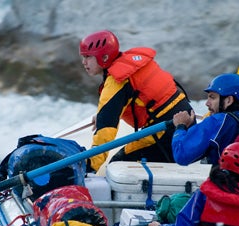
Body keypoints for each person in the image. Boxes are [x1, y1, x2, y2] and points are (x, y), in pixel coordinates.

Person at [79, 30, 192, 173]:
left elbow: (105, 131)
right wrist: (103, 115)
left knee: (118, 165)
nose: (84, 62)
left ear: (104, 57)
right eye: (83, 57)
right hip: (186, 118)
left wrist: (89, 167)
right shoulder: (131, 65)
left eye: (88, 57)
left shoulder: (116, 82)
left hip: (168, 129)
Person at [171, 73, 239, 183]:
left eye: (212, 97)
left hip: (228, 190)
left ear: (228, 100)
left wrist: (181, 127)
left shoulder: (216, 121)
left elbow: (181, 155)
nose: (207, 103)